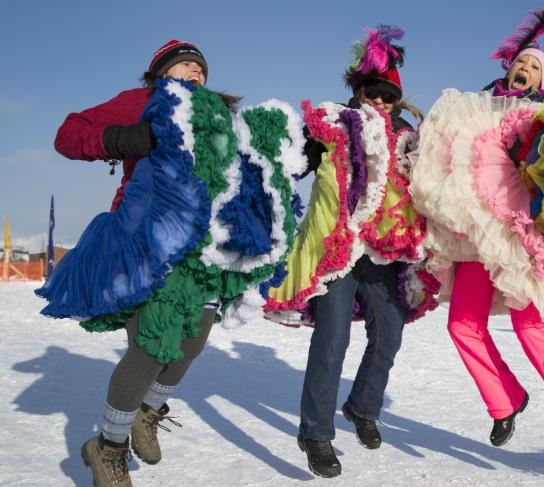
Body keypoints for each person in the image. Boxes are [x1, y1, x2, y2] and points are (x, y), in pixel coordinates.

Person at [46, 41, 246, 487]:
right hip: (148, 242)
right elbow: (69, 133)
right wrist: (124, 138)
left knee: (191, 344)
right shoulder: (142, 101)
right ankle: (108, 447)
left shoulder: (221, 117)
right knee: (152, 346)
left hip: (205, 250)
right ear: (161, 72)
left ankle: (146, 413)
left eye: (201, 67)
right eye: (186, 64)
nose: (196, 71)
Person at [411, 10, 544, 463]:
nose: (526, 70)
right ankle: (506, 400)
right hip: (474, 235)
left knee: (530, 323)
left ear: (542, 79)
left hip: (520, 234)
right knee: (462, 325)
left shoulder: (543, 116)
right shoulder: (472, 106)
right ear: (508, 66)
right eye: (523, 63)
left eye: (536, 67)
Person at [265, 25, 430, 478]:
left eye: (388, 96)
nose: (379, 103)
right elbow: (291, 163)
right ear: (357, 91)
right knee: (333, 336)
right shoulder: (332, 123)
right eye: (371, 93)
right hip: (337, 247)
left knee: (390, 333)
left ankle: (362, 405)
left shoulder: (408, 138)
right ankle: (316, 433)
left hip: (383, 252)